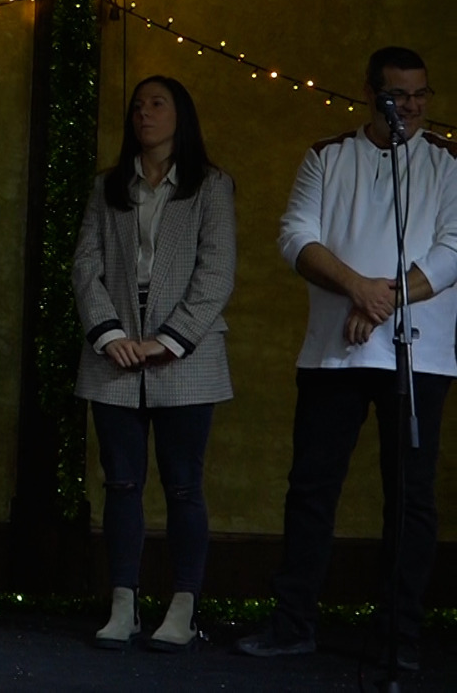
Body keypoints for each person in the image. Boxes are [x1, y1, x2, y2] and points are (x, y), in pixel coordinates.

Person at [238, 47, 453, 672]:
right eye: (398, 95)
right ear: (370, 94)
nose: (411, 106)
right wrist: (358, 288)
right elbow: (295, 237)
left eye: (420, 94)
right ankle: (293, 624)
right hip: (334, 352)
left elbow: (454, 248)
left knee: (410, 499)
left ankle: (398, 636)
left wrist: (381, 300)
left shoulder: (446, 163)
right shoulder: (327, 156)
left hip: (420, 355)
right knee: (311, 489)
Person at [72, 76, 236, 651]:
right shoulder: (109, 186)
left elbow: (217, 272)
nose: (144, 113)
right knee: (121, 483)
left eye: (157, 104)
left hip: (185, 358)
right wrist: (111, 334)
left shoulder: (211, 186)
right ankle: (123, 604)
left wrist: (167, 340)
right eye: (138, 105)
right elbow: (85, 266)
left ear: (180, 115)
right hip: (115, 355)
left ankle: (183, 607)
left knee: (184, 486)